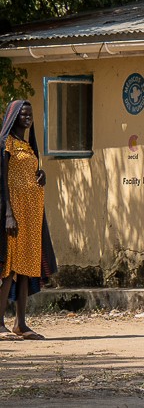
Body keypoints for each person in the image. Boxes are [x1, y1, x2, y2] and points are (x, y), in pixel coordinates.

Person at [1, 100, 58, 341]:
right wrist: (8, 214)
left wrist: (41, 174)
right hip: (13, 215)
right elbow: (2, 181)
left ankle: (20, 324)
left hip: (32, 216)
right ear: (13, 117)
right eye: (23, 114)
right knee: (9, 269)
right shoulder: (7, 144)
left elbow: (29, 172)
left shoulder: (28, 146)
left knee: (25, 271)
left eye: (30, 114)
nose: (27, 118)